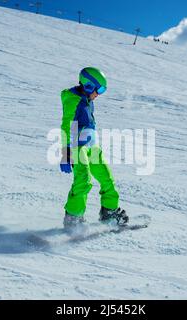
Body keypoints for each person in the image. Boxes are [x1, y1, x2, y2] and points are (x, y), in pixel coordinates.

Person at [59, 67, 129, 231]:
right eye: (99, 89)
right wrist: (65, 152)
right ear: (89, 85)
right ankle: (73, 218)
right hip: (77, 146)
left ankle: (109, 211)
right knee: (83, 180)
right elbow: (66, 125)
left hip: (91, 146)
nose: (99, 94)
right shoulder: (73, 100)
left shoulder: (88, 101)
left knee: (106, 178)